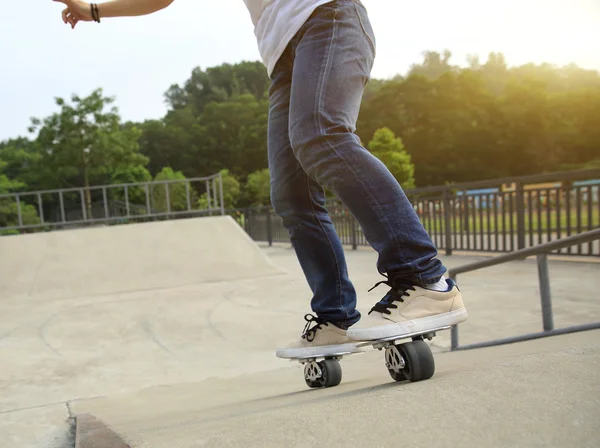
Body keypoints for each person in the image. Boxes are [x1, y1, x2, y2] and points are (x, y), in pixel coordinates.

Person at [54, 0, 467, 359]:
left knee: (321, 136)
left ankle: (424, 277)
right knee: (291, 193)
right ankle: (335, 315)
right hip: (282, 57)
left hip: (329, 17)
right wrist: (92, 9)